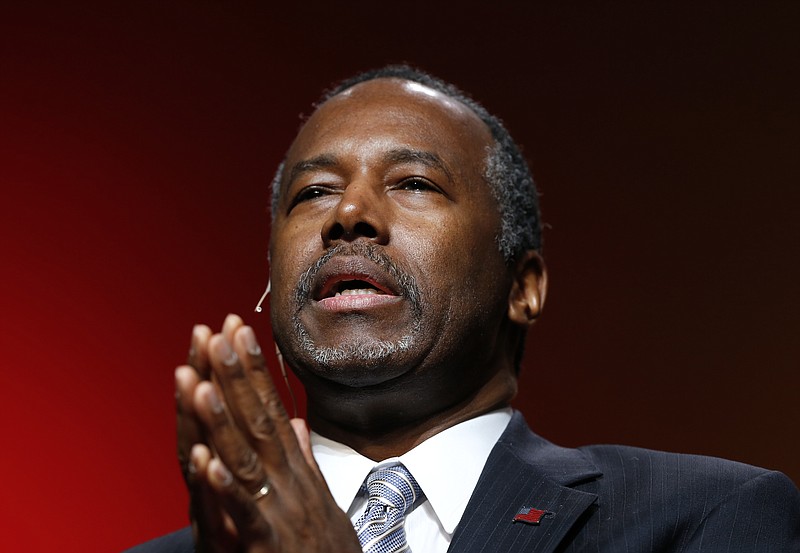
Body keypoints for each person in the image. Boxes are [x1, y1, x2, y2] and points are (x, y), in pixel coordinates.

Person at [127, 65, 800, 553]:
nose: (348, 215)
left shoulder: (708, 519)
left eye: (414, 182)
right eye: (313, 192)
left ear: (523, 286)